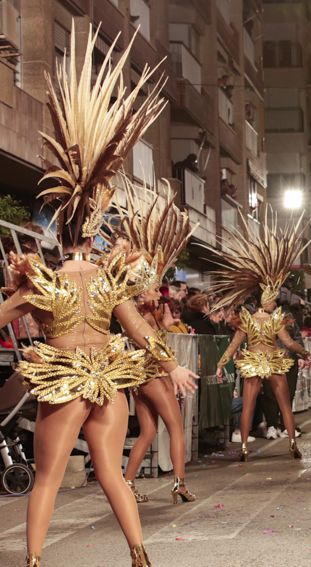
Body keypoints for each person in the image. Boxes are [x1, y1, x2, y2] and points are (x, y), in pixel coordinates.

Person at [0, 26, 197, 567]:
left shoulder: (43, 281)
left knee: (47, 480)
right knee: (110, 473)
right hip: (107, 383)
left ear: (57, 230)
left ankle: (35, 561)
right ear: (93, 230)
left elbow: (2, 314)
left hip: (63, 381)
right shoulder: (111, 281)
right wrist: (173, 370)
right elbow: (141, 333)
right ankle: (139, 554)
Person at [120, 178, 199, 505]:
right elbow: (153, 337)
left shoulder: (143, 308)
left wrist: (166, 316)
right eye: (154, 287)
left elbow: (163, 327)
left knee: (149, 432)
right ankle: (179, 484)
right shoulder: (142, 309)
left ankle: (126, 483)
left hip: (141, 376)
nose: (159, 290)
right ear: (143, 289)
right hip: (153, 373)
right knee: (175, 426)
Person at [211, 207, 311, 461]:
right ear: (267, 298)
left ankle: (244, 447)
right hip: (274, 362)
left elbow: (234, 346)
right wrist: (304, 351)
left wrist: (222, 363)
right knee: (283, 404)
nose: (274, 300)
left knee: (249, 404)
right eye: (273, 296)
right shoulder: (276, 319)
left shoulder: (247, 320)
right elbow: (288, 342)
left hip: (253, 364)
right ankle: (291, 442)